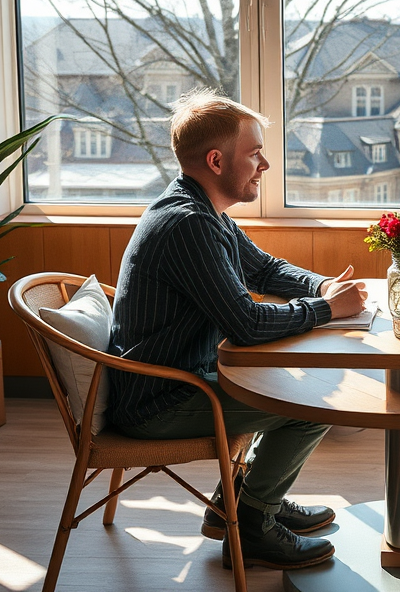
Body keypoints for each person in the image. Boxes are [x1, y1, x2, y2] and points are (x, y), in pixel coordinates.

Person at [108, 88, 368, 571]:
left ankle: (243, 501)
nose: (264, 164)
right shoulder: (189, 224)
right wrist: (326, 309)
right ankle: (252, 524)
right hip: (160, 400)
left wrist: (322, 286)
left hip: (179, 382)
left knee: (296, 386)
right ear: (216, 160)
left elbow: (264, 269)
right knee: (311, 404)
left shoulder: (203, 211)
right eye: (254, 154)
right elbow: (245, 324)